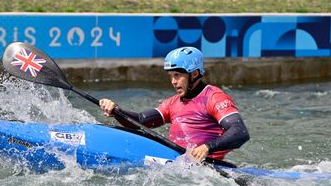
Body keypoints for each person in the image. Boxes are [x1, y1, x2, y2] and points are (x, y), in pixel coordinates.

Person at [99, 47, 250, 163]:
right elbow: (140, 120)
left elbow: (240, 131)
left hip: (208, 168)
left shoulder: (213, 97)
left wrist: (207, 147)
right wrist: (116, 110)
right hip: (177, 163)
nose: (173, 81)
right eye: (171, 76)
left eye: (177, 75)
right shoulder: (173, 103)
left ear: (195, 74)